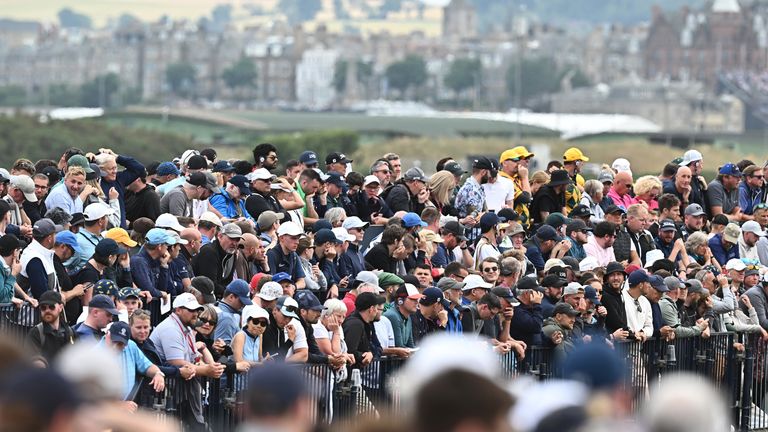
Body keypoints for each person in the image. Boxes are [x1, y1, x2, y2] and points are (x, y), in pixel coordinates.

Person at [150, 293, 226, 430]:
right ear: (178, 310)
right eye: (191, 310)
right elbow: (177, 363)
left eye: (197, 310)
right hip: (168, 390)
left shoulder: (187, 328)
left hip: (182, 389)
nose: (195, 313)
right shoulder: (171, 328)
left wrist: (210, 367)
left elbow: (194, 357)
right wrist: (207, 370)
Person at [192, 223, 243, 298]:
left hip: (218, 295)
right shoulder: (209, 252)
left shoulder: (232, 254)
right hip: (201, 295)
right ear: (220, 236)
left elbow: (228, 281)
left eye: (237, 239)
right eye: (231, 238)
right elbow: (209, 284)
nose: (234, 243)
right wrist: (231, 293)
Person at [25, 290, 75, 361]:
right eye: (43, 308)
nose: (47, 310)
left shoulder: (70, 332)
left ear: (60, 307)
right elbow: (31, 361)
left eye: (51, 307)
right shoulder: (35, 333)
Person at [19, 218, 59, 300]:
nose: (56, 237)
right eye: (55, 234)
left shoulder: (36, 252)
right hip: (34, 312)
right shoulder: (34, 258)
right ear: (49, 238)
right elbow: (41, 294)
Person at [509, 276, 545, 348]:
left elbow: (538, 334)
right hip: (521, 355)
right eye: (536, 292)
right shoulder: (516, 310)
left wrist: (551, 340)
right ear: (526, 293)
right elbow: (536, 326)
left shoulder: (529, 308)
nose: (539, 295)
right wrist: (537, 305)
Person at [214, 279, 253, 344]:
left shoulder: (217, 305)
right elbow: (222, 350)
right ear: (231, 297)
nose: (243, 305)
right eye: (241, 301)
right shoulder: (226, 318)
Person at [383, 283, 422, 348]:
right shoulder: (392, 316)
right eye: (413, 299)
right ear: (400, 300)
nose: (416, 302)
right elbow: (399, 346)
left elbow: (410, 344)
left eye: (417, 299)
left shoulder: (408, 315)